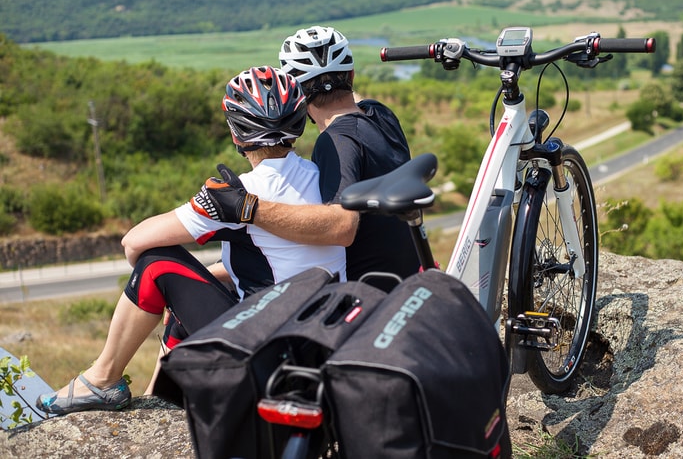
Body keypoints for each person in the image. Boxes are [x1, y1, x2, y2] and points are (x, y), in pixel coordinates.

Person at [36, 66, 346, 415]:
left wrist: (162, 286)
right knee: (194, 290)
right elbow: (283, 261)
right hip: (322, 338)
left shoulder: (235, 194)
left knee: (156, 265)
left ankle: (103, 379)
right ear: (299, 122)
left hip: (268, 348)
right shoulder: (323, 177)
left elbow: (133, 243)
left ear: (236, 132)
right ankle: (159, 394)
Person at [201, 26, 419, 291]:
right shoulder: (380, 115)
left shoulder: (335, 143)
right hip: (405, 276)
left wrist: (248, 208)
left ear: (296, 91)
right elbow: (353, 101)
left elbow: (341, 226)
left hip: (362, 289)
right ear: (351, 75)